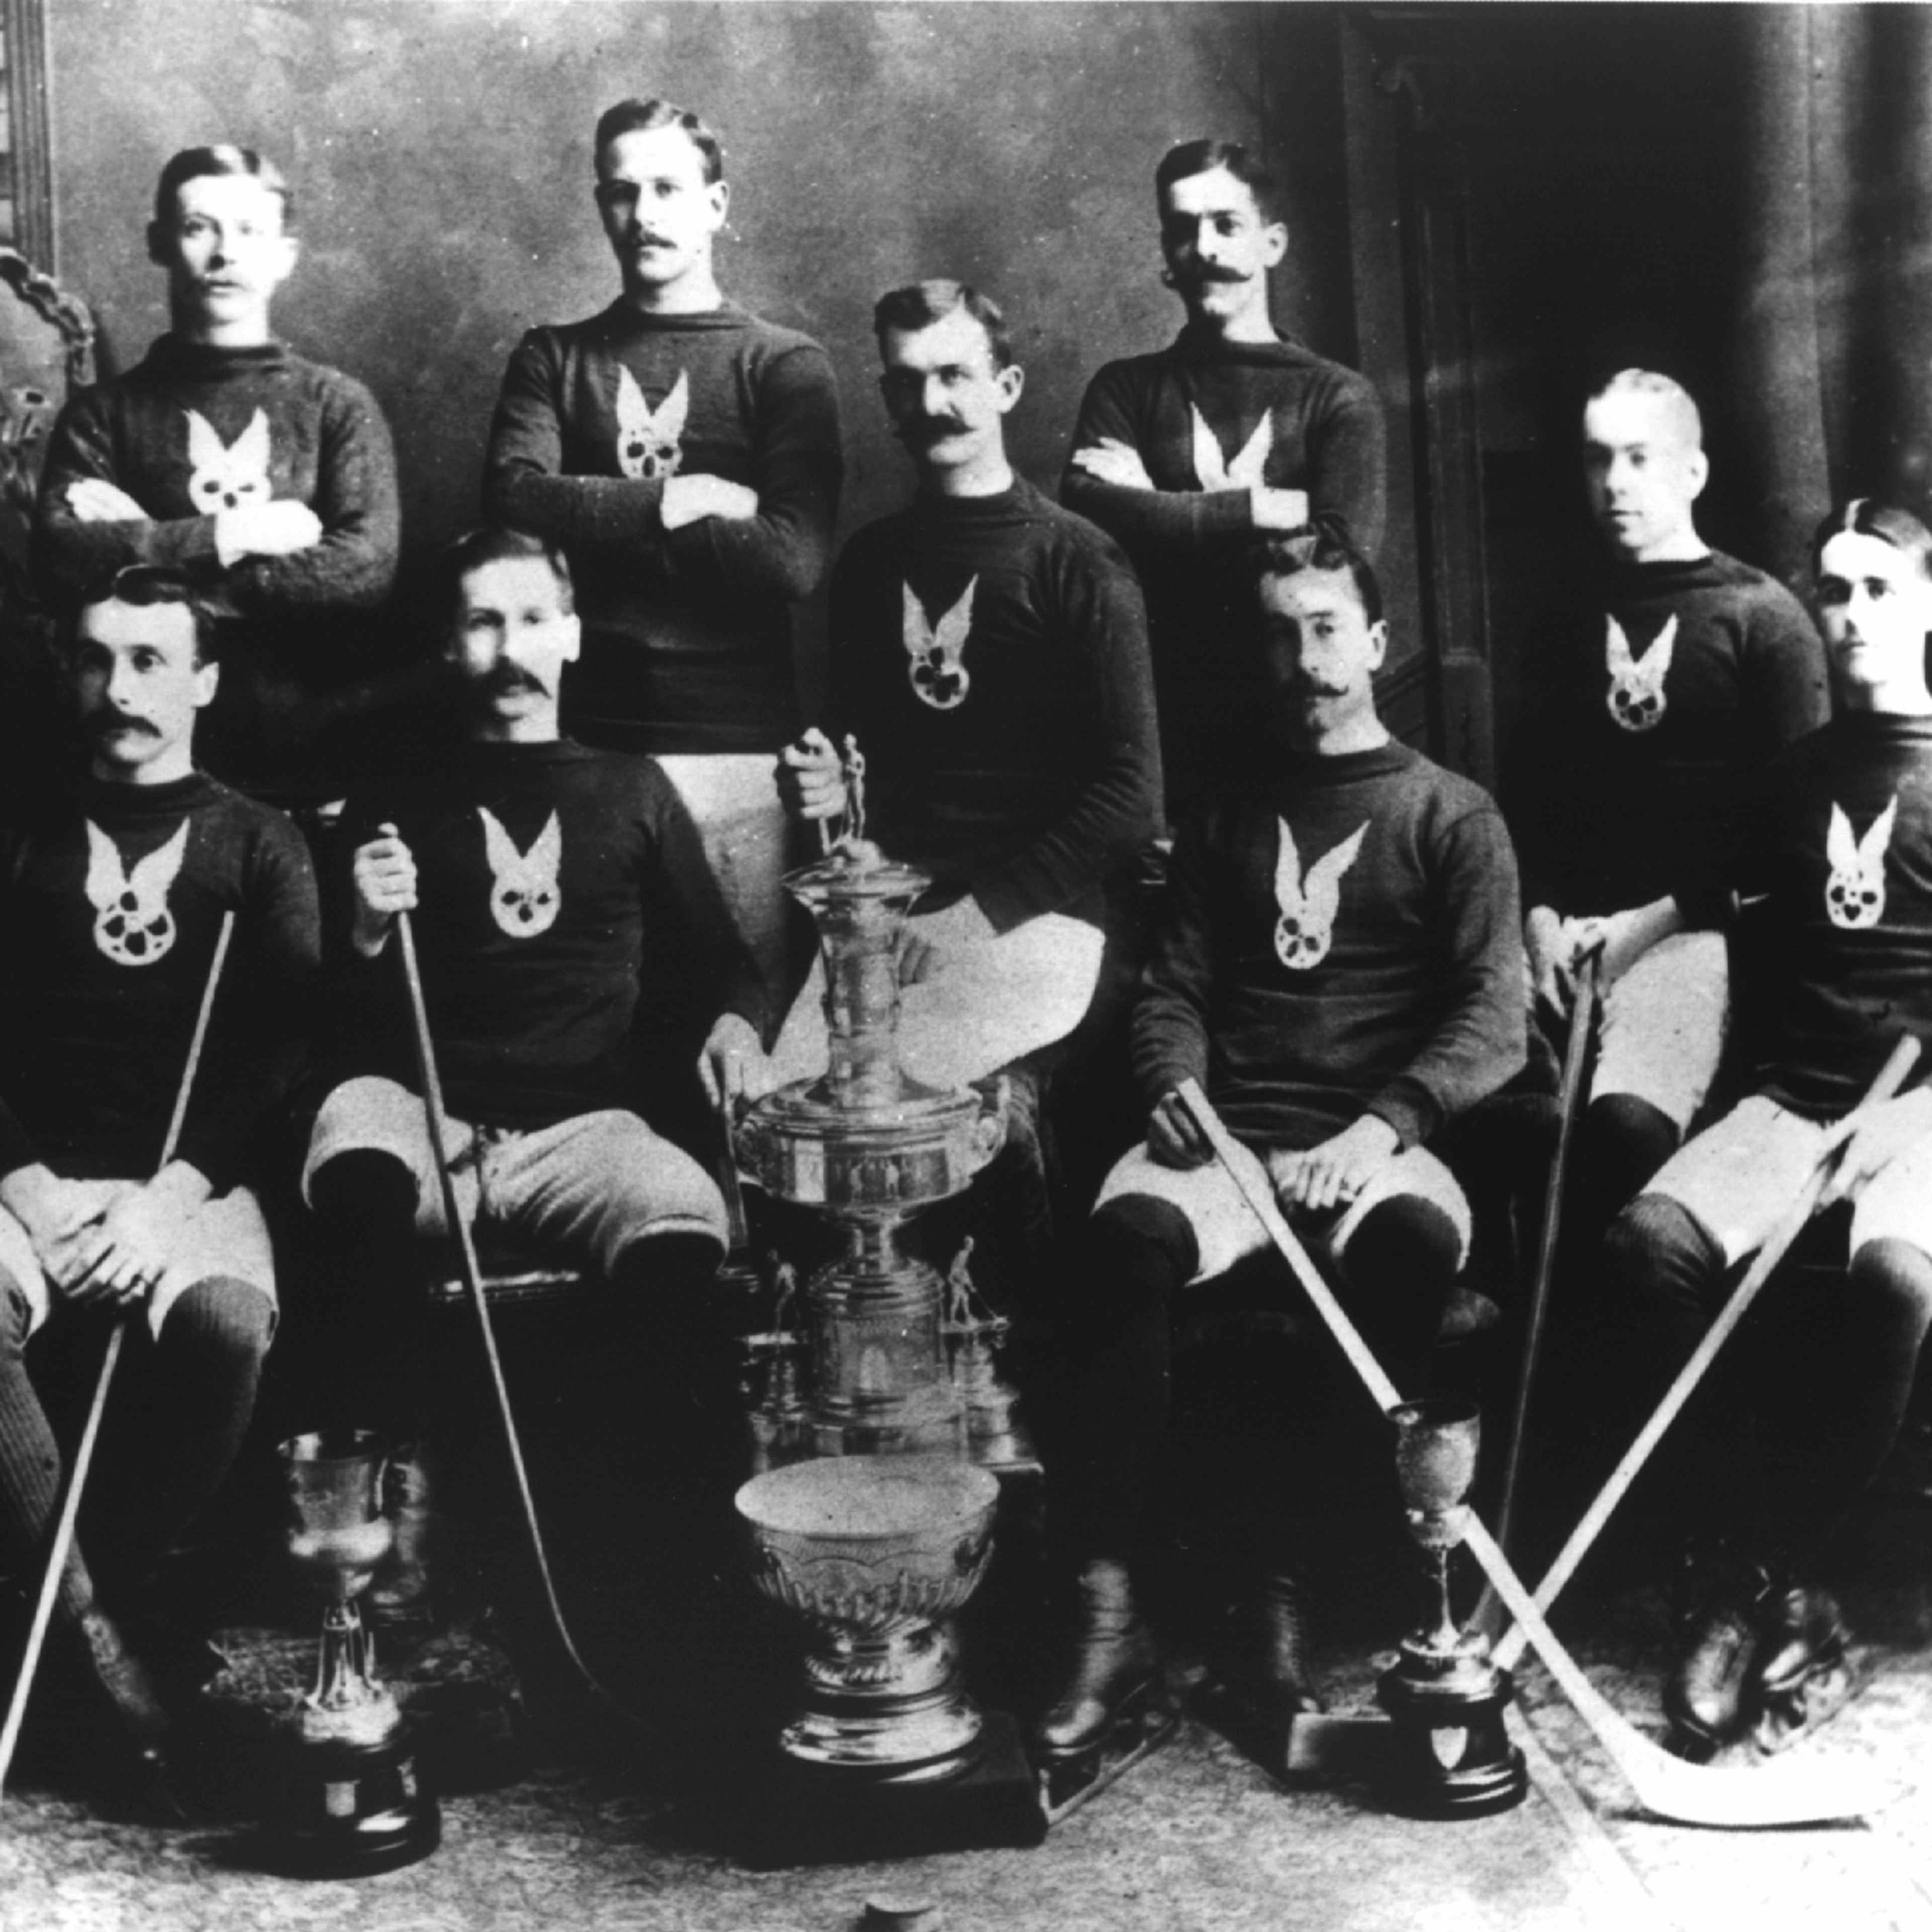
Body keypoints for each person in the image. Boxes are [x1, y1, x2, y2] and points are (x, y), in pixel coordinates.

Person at [1032, 534, 1523, 1774]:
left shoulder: (1451, 813)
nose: (1303, 659)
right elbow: (1173, 989)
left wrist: (1378, 1130)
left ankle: (1286, 1588)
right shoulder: (1224, 813)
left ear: (1375, 641)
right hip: (1227, 1139)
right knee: (1116, 1255)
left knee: (1406, 1251)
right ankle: (1109, 1615)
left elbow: (1493, 1018)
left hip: (1376, 1142)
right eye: (1279, 633)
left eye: (1325, 627)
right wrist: (1175, 1087)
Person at [301, 527, 765, 1469]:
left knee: (682, 1228)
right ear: (449, 644)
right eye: (483, 623)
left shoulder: (633, 789)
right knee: (355, 1170)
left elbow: (723, 961)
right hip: (426, 1113)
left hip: (581, 1131)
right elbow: (328, 1016)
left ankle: (623, 1502)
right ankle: (391, 1490)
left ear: (572, 634)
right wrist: (364, 927)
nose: (511, 649)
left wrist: (735, 1026)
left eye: (532, 620)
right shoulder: (394, 795)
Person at [1594, 498, 1932, 1757]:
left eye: (1880, 589)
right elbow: (1702, 897)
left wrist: (1901, 1119)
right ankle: (1763, 1579)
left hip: (1928, 1110)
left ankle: (1753, 1576)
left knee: (1895, 1279)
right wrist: (1610, 937)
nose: (1853, 616)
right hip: (1796, 1101)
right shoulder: (1792, 779)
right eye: (1833, 592)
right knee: (1646, 1244)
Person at [0, 567, 318, 1810]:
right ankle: (95, 1650)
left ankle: (77, 1613)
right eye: (97, 659)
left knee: (227, 1325)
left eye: (149, 661)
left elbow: (280, 1056)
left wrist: (167, 1199)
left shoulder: (261, 842)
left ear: (205, 680)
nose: (119, 687)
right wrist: (30, 1190)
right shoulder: (19, 826)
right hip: (23, 1180)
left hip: (190, 1183)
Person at [759, 280, 1162, 1109]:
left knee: (871, 1107)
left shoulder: (1079, 560)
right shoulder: (872, 561)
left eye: (954, 376)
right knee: (779, 1109)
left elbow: (1134, 797)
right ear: (887, 400)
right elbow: (857, 765)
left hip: (1035, 924)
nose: (931, 404)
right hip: (893, 923)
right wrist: (827, 792)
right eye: (908, 382)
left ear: (1006, 388)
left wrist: (969, 921)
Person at [485, 97, 843, 1006]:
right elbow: (514, 498)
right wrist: (678, 499)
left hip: (737, 760)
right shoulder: (553, 357)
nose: (644, 214)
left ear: (716, 204)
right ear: (601, 206)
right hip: (588, 751)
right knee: (607, 1023)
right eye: (622, 192)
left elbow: (792, 561)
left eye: (668, 189)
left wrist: (599, 519)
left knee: (747, 1029)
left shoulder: (783, 364)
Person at [1509, 371, 1828, 1237]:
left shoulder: (1761, 617)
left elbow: (1790, 826)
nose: (1616, 482)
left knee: (1623, 1131)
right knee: (1505, 1118)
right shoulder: (1559, 618)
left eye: (1641, 457)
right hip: (1560, 937)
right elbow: (1529, 801)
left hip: (1691, 931)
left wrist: (1645, 925)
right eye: (1599, 458)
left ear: (1693, 472)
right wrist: (1540, 922)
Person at [33, 146, 400, 801]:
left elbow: (363, 571)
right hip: (138, 762)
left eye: (250, 231)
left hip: (307, 751)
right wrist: (234, 534)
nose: (226, 253)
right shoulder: (102, 415)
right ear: (160, 243)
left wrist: (150, 549)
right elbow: (61, 560)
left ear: (285, 255)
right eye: (199, 227)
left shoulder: (336, 405)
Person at [1062, 139, 1386, 815]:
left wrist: (1154, 507)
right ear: (1167, 253)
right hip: (1159, 722)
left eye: (1226, 225)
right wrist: (1261, 509)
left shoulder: (1338, 397)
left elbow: (1338, 562)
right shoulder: (1126, 389)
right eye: (1183, 230)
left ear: (1273, 243)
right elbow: (1088, 517)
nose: (1204, 248)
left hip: (1297, 723)